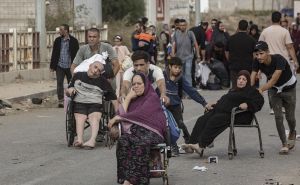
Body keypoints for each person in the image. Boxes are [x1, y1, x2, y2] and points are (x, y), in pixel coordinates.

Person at [182, 70, 264, 155]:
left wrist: (248, 104)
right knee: (202, 119)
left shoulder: (251, 91)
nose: (241, 81)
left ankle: (200, 145)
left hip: (240, 115)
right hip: (225, 112)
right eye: (239, 78)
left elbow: (260, 101)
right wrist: (215, 104)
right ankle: (191, 145)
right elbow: (226, 101)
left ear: (247, 81)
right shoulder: (233, 90)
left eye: (244, 79)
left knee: (215, 120)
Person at [108, 73, 167, 185]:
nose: (136, 86)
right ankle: (126, 179)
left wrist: (119, 117)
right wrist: (128, 98)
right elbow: (121, 114)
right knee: (123, 141)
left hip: (152, 132)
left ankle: (134, 181)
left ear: (145, 84)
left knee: (140, 143)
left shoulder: (152, 97)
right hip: (136, 131)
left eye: (139, 83)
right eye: (133, 84)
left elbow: (140, 114)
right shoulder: (133, 100)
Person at [250, 41, 297, 155]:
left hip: (288, 89)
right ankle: (284, 144)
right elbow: (253, 74)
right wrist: (250, 89)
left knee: (290, 117)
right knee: (278, 117)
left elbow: (273, 80)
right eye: (257, 54)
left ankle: (292, 131)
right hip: (274, 90)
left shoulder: (279, 59)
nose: (259, 57)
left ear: (268, 52)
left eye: (261, 53)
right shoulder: (257, 61)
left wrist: (260, 90)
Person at [164, 57, 211, 156]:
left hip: (176, 106)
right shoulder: (162, 76)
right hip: (163, 106)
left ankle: (188, 139)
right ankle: (173, 147)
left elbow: (191, 91)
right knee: (166, 127)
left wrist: (204, 103)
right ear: (169, 67)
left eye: (179, 68)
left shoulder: (180, 79)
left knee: (179, 125)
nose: (177, 70)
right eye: (175, 67)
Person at [66, 60, 118, 149]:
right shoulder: (78, 75)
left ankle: (92, 140)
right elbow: (68, 90)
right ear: (90, 66)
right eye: (95, 67)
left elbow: (113, 98)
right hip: (80, 102)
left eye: (99, 71)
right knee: (80, 117)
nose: (95, 71)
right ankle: (80, 139)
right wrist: (70, 90)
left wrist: (117, 113)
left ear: (100, 73)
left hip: (95, 104)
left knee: (94, 117)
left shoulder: (103, 81)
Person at [50, 24, 79, 107]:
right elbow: (54, 53)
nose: (60, 31)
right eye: (60, 29)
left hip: (70, 66)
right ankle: (61, 101)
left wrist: (76, 65)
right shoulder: (58, 41)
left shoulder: (74, 41)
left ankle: (72, 99)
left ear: (66, 30)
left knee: (72, 83)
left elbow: (77, 54)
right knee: (59, 82)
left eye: (61, 29)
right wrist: (52, 66)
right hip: (60, 65)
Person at [225, 20, 256, 88]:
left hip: (234, 67)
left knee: (235, 87)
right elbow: (254, 55)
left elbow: (227, 52)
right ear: (247, 28)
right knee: (246, 87)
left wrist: (230, 60)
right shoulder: (251, 40)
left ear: (238, 27)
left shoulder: (231, 39)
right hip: (247, 67)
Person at [171, 19, 201, 87]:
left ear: (186, 25)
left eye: (184, 25)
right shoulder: (176, 33)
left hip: (188, 57)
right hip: (179, 58)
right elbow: (173, 44)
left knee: (187, 74)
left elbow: (196, 44)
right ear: (179, 26)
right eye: (181, 25)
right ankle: (182, 92)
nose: (182, 27)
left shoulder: (190, 33)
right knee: (180, 75)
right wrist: (173, 54)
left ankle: (189, 93)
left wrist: (198, 55)